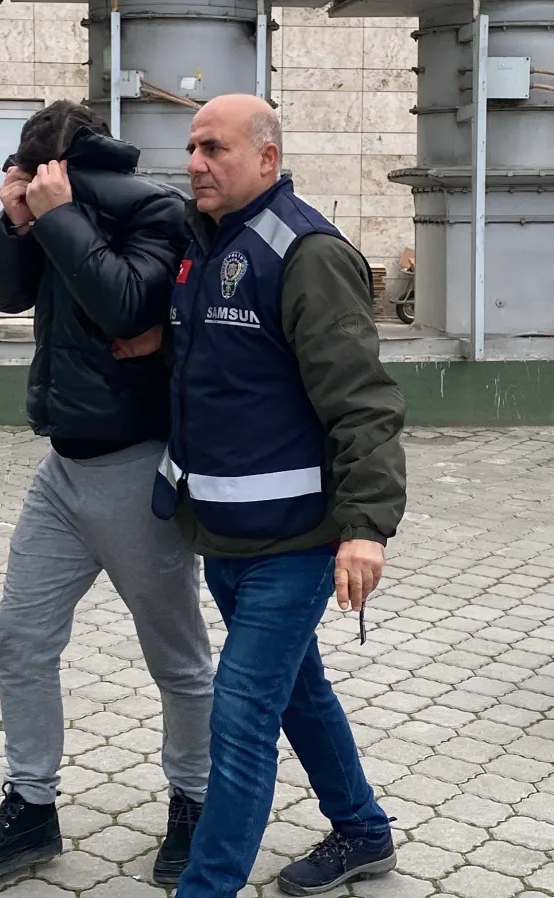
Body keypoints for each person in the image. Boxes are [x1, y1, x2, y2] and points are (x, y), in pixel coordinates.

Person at [118, 94, 408, 897]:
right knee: (299, 693)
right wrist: (162, 339)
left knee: (241, 714)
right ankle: (363, 831)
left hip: (297, 542)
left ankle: (206, 887)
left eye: (214, 148)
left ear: (267, 159)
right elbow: (231, 359)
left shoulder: (306, 253)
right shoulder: (207, 242)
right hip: (226, 537)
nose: (194, 163)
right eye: (191, 148)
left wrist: (366, 527)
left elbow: (363, 401)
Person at [0, 100, 215, 887]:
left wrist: (61, 218)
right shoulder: (48, 210)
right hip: (62, 471)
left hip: (137, 468)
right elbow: (2, 294)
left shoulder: (155, 209)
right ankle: (31, 806)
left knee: (176, 657)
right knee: (20, 637)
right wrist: (15, 222)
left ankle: (197, 803)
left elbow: (126, 303)